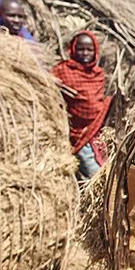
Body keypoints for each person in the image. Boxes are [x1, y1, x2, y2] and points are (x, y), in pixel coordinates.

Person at [51, 30, 118, 181]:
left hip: (96, 130)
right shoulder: (63, 71)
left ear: (95, 52)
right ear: (73, 49)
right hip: (75, 131)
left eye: (89, 49)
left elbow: (96, 103)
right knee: (94, 173)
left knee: (104, 165)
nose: (85, 53)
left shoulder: (98, 75)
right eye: (81, 49)